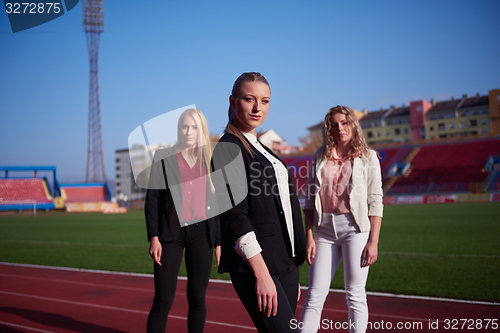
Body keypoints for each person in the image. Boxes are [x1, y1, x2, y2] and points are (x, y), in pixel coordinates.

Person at [211, 72, 306, 333]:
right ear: (232, 101)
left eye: (265, 101)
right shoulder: (227, 148)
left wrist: (291, 265)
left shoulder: (260, 146)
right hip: (259, 267)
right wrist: (262, 275)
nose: (257, 108)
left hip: (284, 263)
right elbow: (235, 216)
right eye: (249, 99)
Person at [299, 106, 383, 333]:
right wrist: (309, 237)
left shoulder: (368, 157)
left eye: (345, 123)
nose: (340, 128)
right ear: (329, 129)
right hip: (323, 231)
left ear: (353, 125)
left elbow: (376, 200)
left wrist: (373, 242)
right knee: (314, 294)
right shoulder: (319, 156)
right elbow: (308, 201)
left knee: (355, 294)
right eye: (334, 125)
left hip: (355, 230)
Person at [145, 108, 221, 333]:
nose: (189, 132)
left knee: (197, 298)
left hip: (202, 234)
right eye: (185, 127)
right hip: (171, 234)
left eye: (194, 127)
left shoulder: (209, 159)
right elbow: (153, 200)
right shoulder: (163, 157)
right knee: (163, 299)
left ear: (201, 131)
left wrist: (218, 241)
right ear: (179, 129)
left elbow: (216, 203)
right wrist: (154, 237)